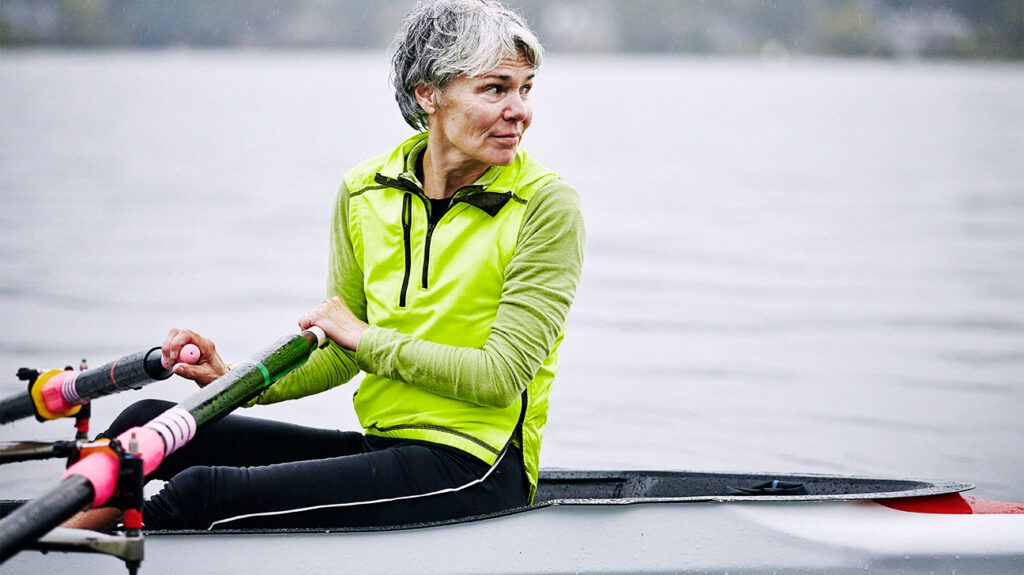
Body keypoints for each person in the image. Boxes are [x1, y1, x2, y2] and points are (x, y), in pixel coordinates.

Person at [72, 0, 584, 530]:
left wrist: (364, 339)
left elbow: (500, 377)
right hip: (385, 445)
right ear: (427, 94)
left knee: (202, 491)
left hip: (478, 466)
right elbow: (341, 355)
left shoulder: (546, 205)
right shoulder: (366, 192)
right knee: (144, 428)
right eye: (495, 89)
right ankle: (58, 549)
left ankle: (65, 561)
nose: (519, 109)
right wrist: (232, 378)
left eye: (526, 88)